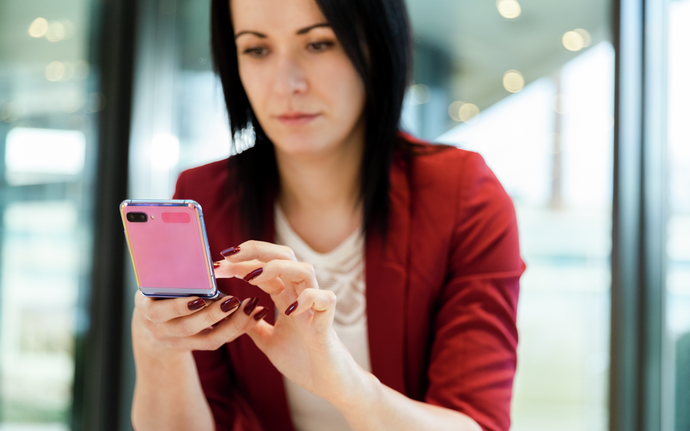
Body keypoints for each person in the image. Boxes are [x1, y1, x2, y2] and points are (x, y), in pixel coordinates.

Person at [130, 0, 524, 429]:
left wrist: (343, 383)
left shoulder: (462, 194)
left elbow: (476, 422)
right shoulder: (205, 197)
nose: (286, 84)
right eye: (256, 50)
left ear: (376, 48)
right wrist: (156, 346)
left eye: (319, 43)